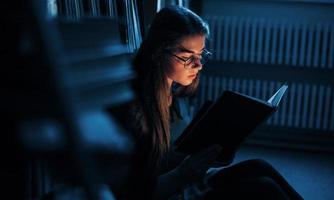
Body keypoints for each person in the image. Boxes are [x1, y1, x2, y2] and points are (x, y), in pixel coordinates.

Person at [109, 5, 303, 200]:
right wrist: (183, 173)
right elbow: (130, 193)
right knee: (263, 189)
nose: (199, 65)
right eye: (187, 57)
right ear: (158, 53)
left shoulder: (174, 93)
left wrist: (202, 156)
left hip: (181, 182)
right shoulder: (133, 109)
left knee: (259, 166)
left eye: (201, 54)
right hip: (167, 192)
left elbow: (162, 160)